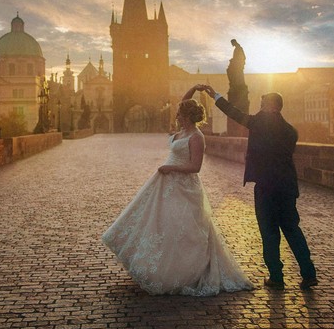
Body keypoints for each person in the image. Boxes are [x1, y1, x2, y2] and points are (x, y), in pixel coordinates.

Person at [102, 85, 253, 296]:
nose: (177, 116)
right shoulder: (182, 131)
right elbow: (182, 104)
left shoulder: (196, 137)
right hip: (165, 183)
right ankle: (155, 265)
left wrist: (171, 167)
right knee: (158, 224)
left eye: (181, 114)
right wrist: (193, 89)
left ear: (188, 117)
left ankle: (182, 272)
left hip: (183, 187)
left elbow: (195, 167)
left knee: (181, 228)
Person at [201, 84, 318, 290]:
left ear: (272, 106)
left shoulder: (258, 123)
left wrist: (215, 96)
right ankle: (308, 274)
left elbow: (234, 113)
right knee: (292, 229)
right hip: (287, 187)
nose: (260, 107)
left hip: (266, 187)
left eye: (263, 104)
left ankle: (276, 276)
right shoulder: (291, 131)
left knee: (269, 232)